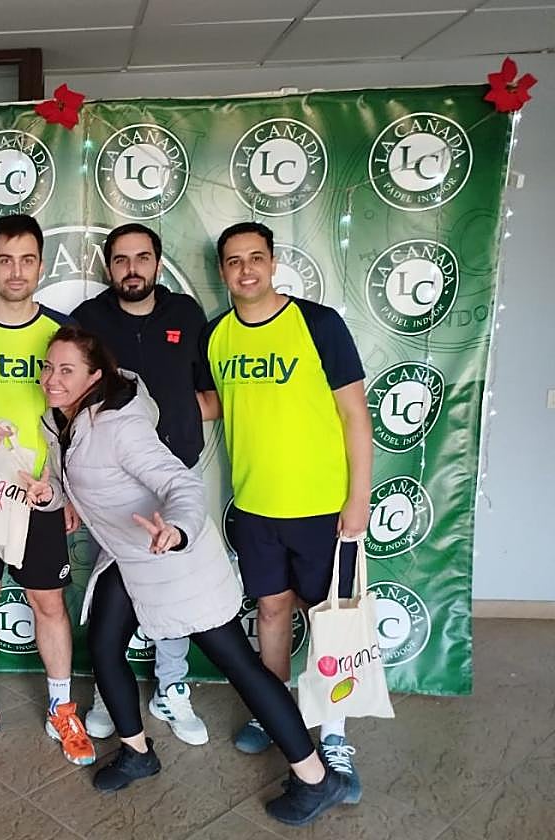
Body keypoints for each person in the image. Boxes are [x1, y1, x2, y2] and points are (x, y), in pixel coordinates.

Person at [41, 326, 355, 826]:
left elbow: (180, 484)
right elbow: (68, 485)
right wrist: (48, 497)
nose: (51, 379)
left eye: (66, 370)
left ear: (94, 377)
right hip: (128, 558)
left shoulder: (120, 425)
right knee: (103, 645)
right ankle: (137, 752)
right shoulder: (60, 421)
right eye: (47, 367)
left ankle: (316, 778)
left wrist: (178, 531)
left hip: (176, 559)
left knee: (240, 665)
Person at [199, 221, 372, 798]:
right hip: (254, 507)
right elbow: (216, 404)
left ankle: (335, 736)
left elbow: (354, 414)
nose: (245, 270)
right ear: (222, 271)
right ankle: (274, 713)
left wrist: (358, 498)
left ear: (272, 263)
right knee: (271, 612)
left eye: (256, 258)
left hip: (322, 507)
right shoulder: (216, 336)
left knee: (331, 622)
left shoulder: (318, 324)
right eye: (233, 261)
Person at [0, 213, 95, 769]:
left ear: (41, 266)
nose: (16, 271)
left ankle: (61, 708)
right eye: (5, 260)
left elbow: (80, 413)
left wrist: (67, 489)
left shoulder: (61, 330)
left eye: (27, 260)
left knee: (48, 603)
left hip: (39, 493)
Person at [71, 222, 212, 746]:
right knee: (116, 591)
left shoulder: (186, 314)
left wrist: (172, 424)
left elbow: (209, 394)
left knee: (173, 587)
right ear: (109, 266)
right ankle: (109, 693)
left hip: (173, 476)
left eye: (142, 257)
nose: (132, 269)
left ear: (157, 261)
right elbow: (70, 399)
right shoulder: (89, 320)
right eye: (121, 259)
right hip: (112, 485)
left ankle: (171, 688)